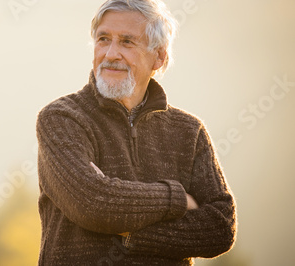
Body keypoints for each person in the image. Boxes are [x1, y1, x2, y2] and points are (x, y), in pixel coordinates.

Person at [35, 0, 237, 265]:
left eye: (127, 42)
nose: (110, 54)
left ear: (159, 57)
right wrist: (177, 199)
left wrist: (131, 235)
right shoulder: (61, 119)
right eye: (103, 39)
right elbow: (94, 204)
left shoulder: (190, 131)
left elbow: (220, 228)